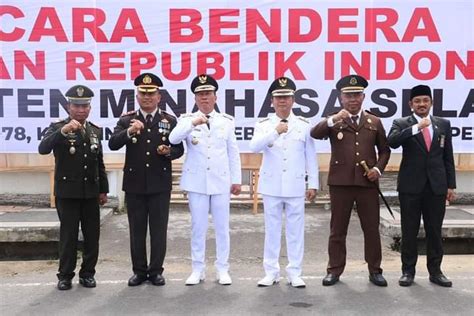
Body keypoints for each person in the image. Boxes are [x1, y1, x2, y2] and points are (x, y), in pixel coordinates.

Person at [310, 74, 391, 287]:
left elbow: (384, 151)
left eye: (356, 95)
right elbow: (315, 133)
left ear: (363, 97)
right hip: (340, 184)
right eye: (348, 96)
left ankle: (375, 270)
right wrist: (332, 120)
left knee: (371, 229)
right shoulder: (334, 119)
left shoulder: (374, 121)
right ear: (340, 98)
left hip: (367, 183)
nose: (353, 99)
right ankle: (334, 270)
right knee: (338, 230)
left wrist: (377, 169)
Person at [108, 73, 184, 286]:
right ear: (137, 96)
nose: (147, 97)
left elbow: (179, 148)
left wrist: (169, 151)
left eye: (151, 94)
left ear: (159, 96)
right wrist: (130, 130)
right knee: (137, 230)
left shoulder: (169, 121)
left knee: (159, 230)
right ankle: (139, 271)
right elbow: (113, 143)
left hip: (160, 184)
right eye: (143, 93)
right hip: (135, 185)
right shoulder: (126, 119)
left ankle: (156, 271)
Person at [168, 74, 241, 286]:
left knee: (222, 227)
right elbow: (173, 139)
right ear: (195, 98)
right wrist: (193, 122)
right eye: (200, 94)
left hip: (220, 182)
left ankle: (222, 269)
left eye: (208, 93)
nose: (204, 98)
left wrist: (236, 179)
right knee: (197, 227)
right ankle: (197, 269)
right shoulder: (186, 120)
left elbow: (232, 152)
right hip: (197, 182)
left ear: (215, 97)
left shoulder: (226, 121)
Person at [249, 77, 318, 288]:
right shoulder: (263, 124)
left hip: (295, 184)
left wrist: (313, 183)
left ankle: (294, 272)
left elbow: (311, 156)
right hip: (272, 185)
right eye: (278, 97)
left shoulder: (304, 124)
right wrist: (275, 132)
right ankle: (271, 271)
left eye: (286, 97)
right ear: (272, 101)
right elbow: (254, 147)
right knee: (272, 229)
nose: (282, 101)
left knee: (295, 230)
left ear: (293, 100)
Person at [38, 85, 109, 290]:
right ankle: (65, 275)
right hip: (67, 193)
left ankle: (87, 274)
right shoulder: (57, 127)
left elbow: (99, 163)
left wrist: (103, 190)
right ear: (69, 106)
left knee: (92, 236)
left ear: (89, 108)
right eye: (77, 105)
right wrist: (62, 131)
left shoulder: (94, 130)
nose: (81, 109)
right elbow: (43, 148)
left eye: (85, 105)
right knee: (68, 236)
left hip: (90, 193)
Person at [387, 85, 456, 287]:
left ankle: (436, 271)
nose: (422, 104)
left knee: (435, 230)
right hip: (410, 187)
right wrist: (417, 128)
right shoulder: (401, 123)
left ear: (431, 102)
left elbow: (447, 156)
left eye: (425, 100)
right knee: (409, 230)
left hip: (436, 186)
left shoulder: (443, 124)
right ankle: (408, 271)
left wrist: (450, 185)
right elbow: (392, 142)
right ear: (411, 105)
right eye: (417, 101)